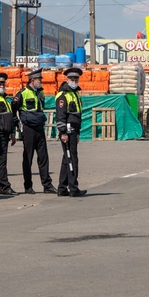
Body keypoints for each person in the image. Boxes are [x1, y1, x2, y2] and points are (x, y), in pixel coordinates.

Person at [11, 68, 58, 195]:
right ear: (32, 80)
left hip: (39, 128)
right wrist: (16, 124)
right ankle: (28, 186)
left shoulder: (40, 93)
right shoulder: (23, 93)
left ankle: (47, 185)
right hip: (29, 129)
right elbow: (13, 108)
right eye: (39, 80)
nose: (40, 82)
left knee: (43, 157)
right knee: (28, 157)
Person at [55, 67, 87, 198]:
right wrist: (63, 132)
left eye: (76, 79)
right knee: (72, 159)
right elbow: (60, 115)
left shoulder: (75, 94)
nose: (74, 81)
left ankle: (62, 188)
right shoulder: (63, 95)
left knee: (66, 159)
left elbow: (77, 115)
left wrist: (78, 132)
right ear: (67, 80)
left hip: (74, 130)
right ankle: (73, 188)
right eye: (72, 79)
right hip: (67, 130)